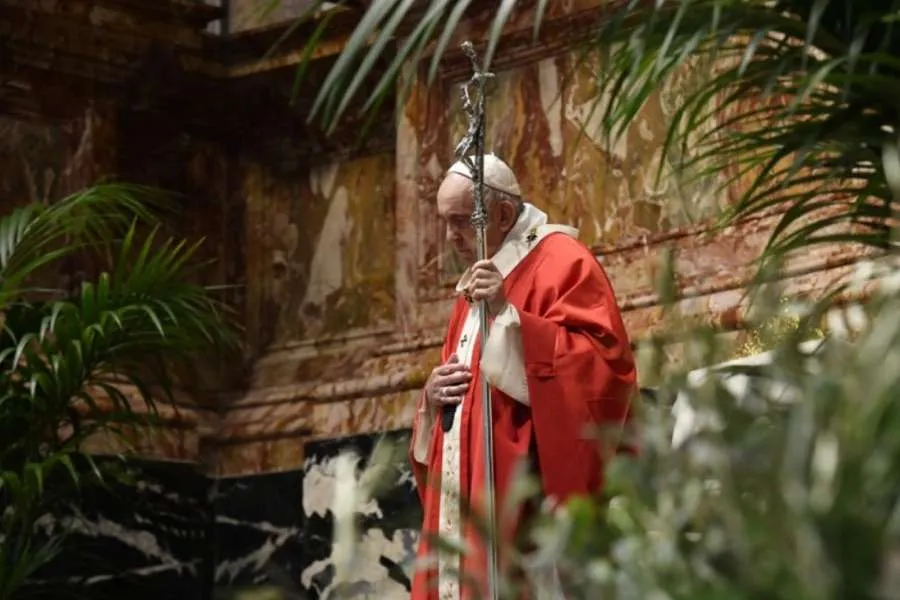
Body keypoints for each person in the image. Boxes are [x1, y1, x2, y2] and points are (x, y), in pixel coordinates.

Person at [409, 154, 637, 600]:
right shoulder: (475, 283)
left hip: (524, 490)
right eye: (445, 222)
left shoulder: (561, 260)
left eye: (460, 221)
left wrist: (511, 318)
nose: (450, 236)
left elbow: (603, 369)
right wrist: (432, 399)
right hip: (473, 488)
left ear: (503, 214)